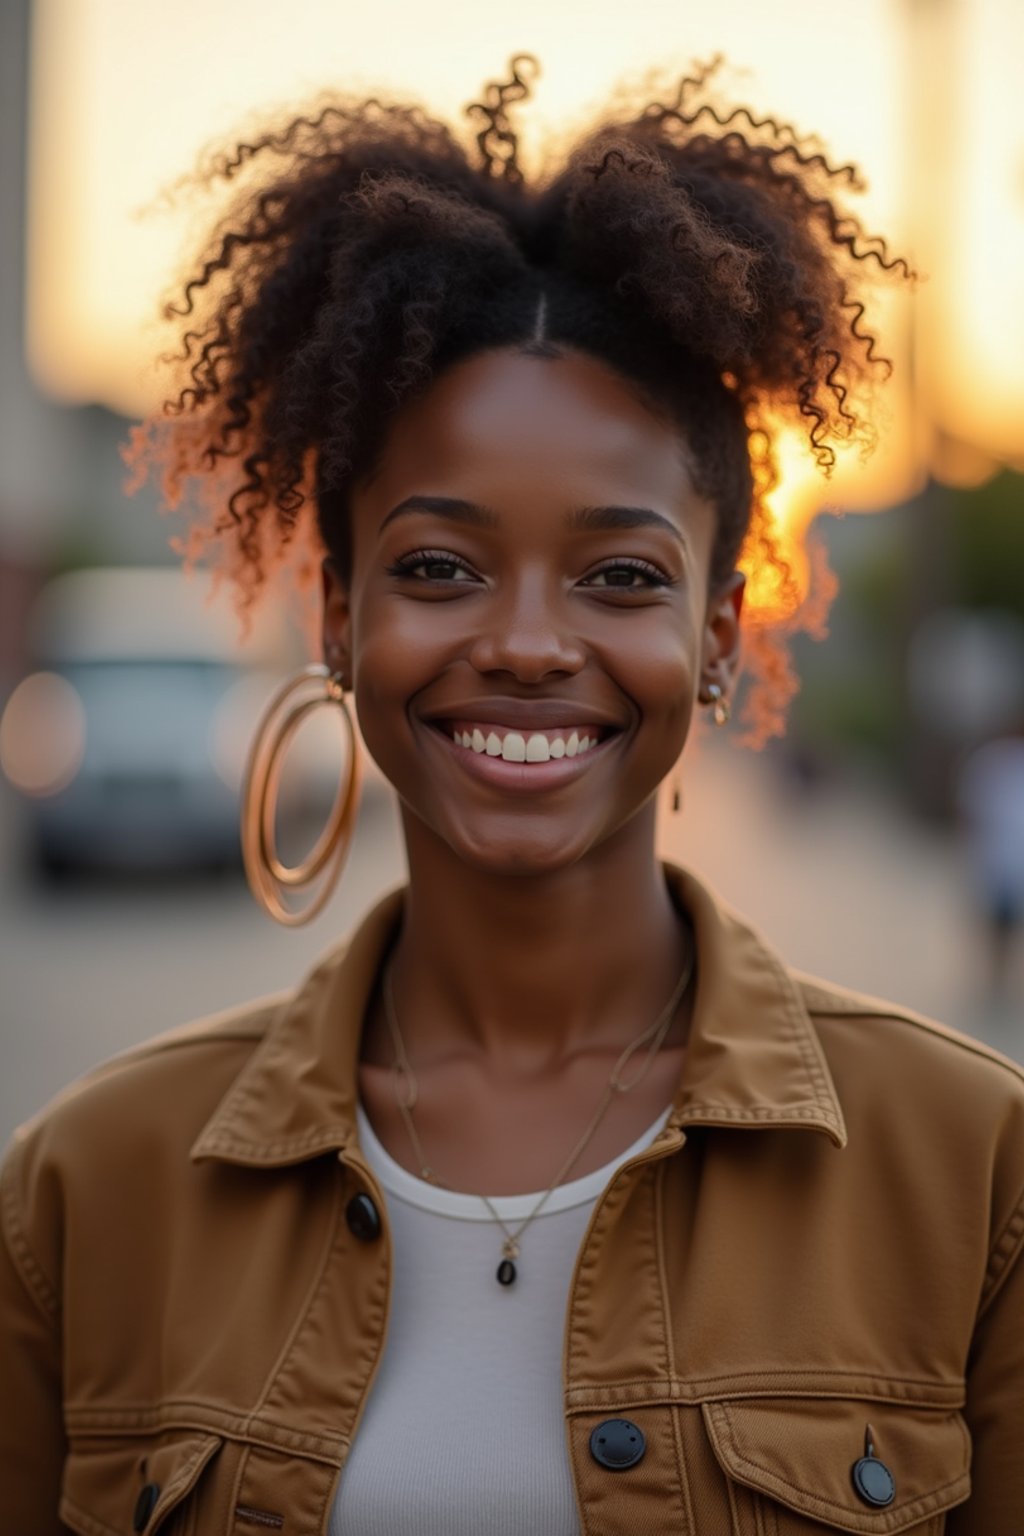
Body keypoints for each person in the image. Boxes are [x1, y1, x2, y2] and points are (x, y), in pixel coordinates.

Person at [3, 57, 1022, 1536]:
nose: (531, 642)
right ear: (338, 616)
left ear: (720, 634)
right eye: (437, 568)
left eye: (621, 575)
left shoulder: (977, 1176)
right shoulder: (85, 1199)